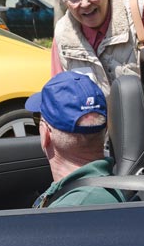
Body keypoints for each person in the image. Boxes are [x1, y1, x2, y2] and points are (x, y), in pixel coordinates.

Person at [25, 71, 125, 208]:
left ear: (46, 134)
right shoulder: (106, 186)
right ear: (106, 129)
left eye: (38, 119)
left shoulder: (68, 211)